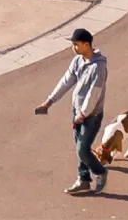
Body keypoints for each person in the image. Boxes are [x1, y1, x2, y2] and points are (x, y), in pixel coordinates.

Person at [35, 28, 108, 195]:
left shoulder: (98, 67)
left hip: (91, 115)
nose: (73, 48)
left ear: (86, 44)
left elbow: (93, 94)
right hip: (78, 112)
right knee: (79, 147)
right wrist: (49, 101)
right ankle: (83, 180)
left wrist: (81, 115)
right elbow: (66, 81)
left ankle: (101, 172)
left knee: (82, 149)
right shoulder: (78, 61)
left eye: (76, 44)